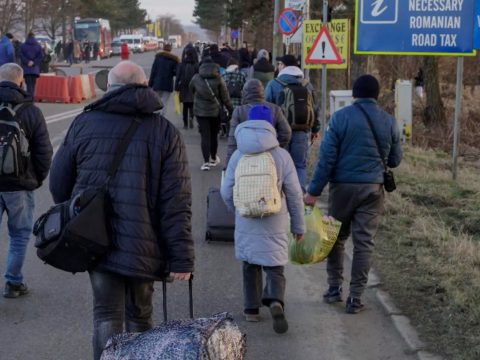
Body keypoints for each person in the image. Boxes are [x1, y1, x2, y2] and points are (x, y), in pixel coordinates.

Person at [48, 61, 194, 360]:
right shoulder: (164, 131)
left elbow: (58, 186)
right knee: (140, 316)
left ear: (109, 88)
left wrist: (77, 212)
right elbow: (176, 200)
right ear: (144, 87)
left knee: (105, 315)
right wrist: (181, 256)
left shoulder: (84, 123)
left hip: (94, 239)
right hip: (145, 242)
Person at [304, 74, 402, 314]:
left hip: (342, 189)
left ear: (355, 94)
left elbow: (326, 160)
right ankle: (356, 297)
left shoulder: (339, 119)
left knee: (336, 238)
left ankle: (334, 288)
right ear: (377, 95)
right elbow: (395, 159)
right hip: (373, 189)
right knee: (364, 243)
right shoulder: (389, 121)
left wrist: (313, 191)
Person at [221, 105, 305, 334]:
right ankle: (275, 300)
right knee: (275, 266)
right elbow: (295, 194)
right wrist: (298, 226)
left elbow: (226, 189)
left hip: (246, 216)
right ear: (271, 126)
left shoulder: (239, 154)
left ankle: (251, 310)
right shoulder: (281, 155)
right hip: (275, 218)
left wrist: (237, 208)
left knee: (250, 265)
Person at [0, 63, 53, 298]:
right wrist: (36, 178)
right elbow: (44, 153)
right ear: (21, 82)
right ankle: (13, 283)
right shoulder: (31, 111)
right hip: (19, 184)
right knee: (19, 234)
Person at [265, 54, 320, 192]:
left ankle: (281, 197)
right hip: (301, 132)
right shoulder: (308, 85)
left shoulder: (274, 84)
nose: (278, 67)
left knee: (280, 165)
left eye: (279, 64)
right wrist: (315, 129)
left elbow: (267, 107)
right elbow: (315, 108)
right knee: (299, 166)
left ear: (283, 66)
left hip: (280, 133)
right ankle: (299, 197)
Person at [226, 79, 291, 166]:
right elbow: (286, 132)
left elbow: (232, 141)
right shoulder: (275, 109)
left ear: (244, 93)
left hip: (245, 156)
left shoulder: (239, 111)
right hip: (270, 155)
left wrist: (229, 163)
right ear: (262, 92)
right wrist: (275, 146)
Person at [189, 57, 233, 171]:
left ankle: (206, 162)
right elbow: (225, 96)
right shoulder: (218, 78)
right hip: (215, 111)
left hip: (200, 111)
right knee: (214, 135)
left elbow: (191, 89)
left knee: (205, 136)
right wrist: (230, 108)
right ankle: (213, 158)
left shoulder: (196, 78)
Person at [148, 43, 179, 115]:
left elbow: (153, 72)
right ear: (170, 50)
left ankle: (156, 116)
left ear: (163, 49)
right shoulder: (174, 60)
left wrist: (150, 85)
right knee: (164, 102)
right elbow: (176, 72)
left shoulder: (157, 58)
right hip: (168, 84)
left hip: (157, 83)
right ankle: (161, 117)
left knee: (156, 101)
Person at [175, 47, 198, 129]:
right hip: (193, 87)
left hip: (183, 87)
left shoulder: (181, 64)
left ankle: (185, 124)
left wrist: (176, 86)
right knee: (192, 104)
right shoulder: (196, 64)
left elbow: (178, 76)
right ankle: (191, 117)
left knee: (185, 106)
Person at [19, 32, 43, 97]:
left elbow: (21, 55)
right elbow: (40, 56)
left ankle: (29, 97)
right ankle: (31, 96)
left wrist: (27, 62)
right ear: (34, 37)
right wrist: (34, 62)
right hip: (34, 68)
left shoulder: (23, 45)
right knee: (33, 83)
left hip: (26, 68)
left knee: (28, 83)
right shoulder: (38, 46)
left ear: (28, 37)